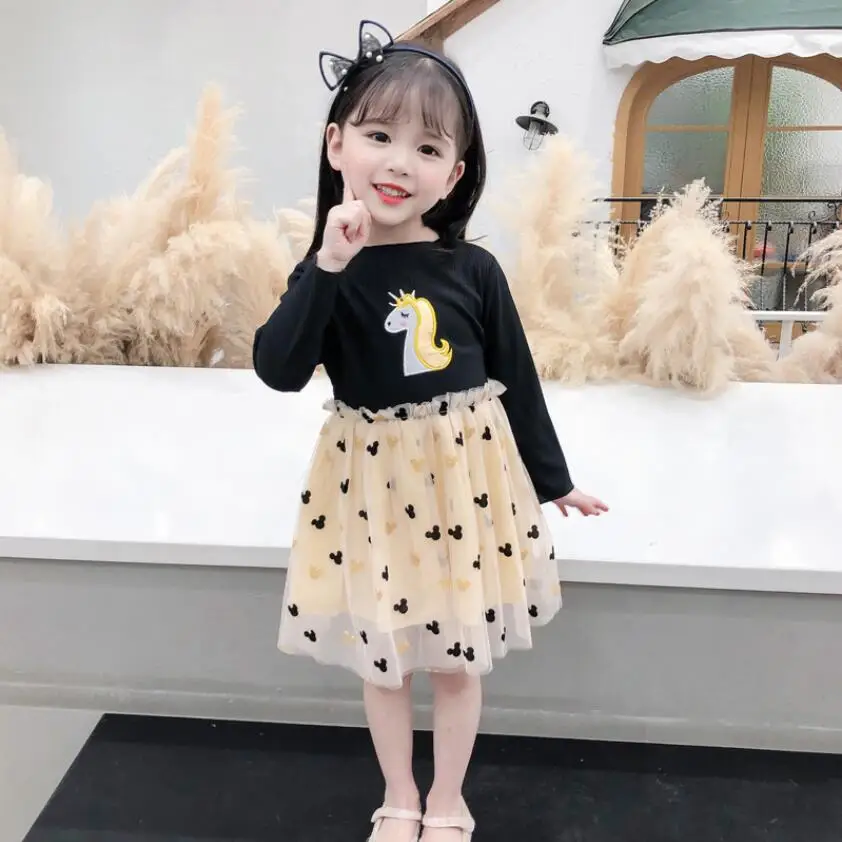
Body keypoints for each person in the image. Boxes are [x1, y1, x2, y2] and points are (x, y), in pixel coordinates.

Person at [253, 20, 608, 842]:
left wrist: (553, 481)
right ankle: (399, 795)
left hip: (462, 491)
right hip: (371, 494)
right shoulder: (326, 270)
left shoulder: (473, 269)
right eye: (379, 136)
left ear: (452, 174)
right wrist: (327, 266)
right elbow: (279, 367)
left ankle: (448, 798)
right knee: (386, 661)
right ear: (337, 145)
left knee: (454, 660)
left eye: (426, 148)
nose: (399, 163)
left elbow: (517, 382)